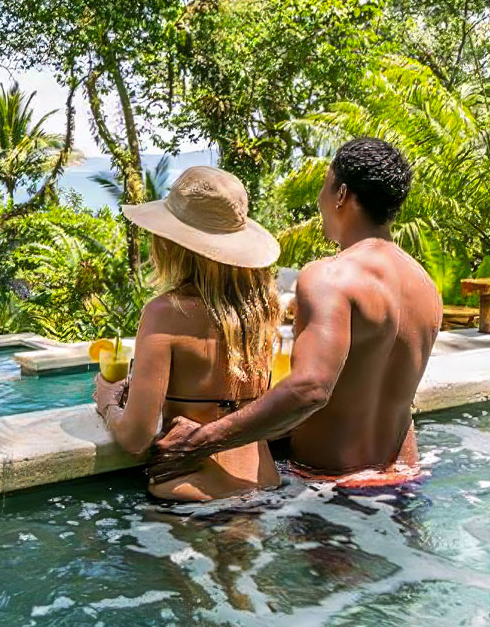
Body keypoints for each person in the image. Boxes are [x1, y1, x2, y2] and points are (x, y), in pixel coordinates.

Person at [149, 138, 443, 487]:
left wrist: (200, 443)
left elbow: (310, 389)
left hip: (331, 488)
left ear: (342, 194)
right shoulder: (424, 286)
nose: (320, 200)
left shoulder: (329, 276)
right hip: (404, 479)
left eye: (324, 186)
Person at [94, 165, 282, 501]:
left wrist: (108, 401)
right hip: (265, 487)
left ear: (173, 243)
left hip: (192, 497)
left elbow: (136, 438)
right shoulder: (263, 308)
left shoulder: (166, 313)